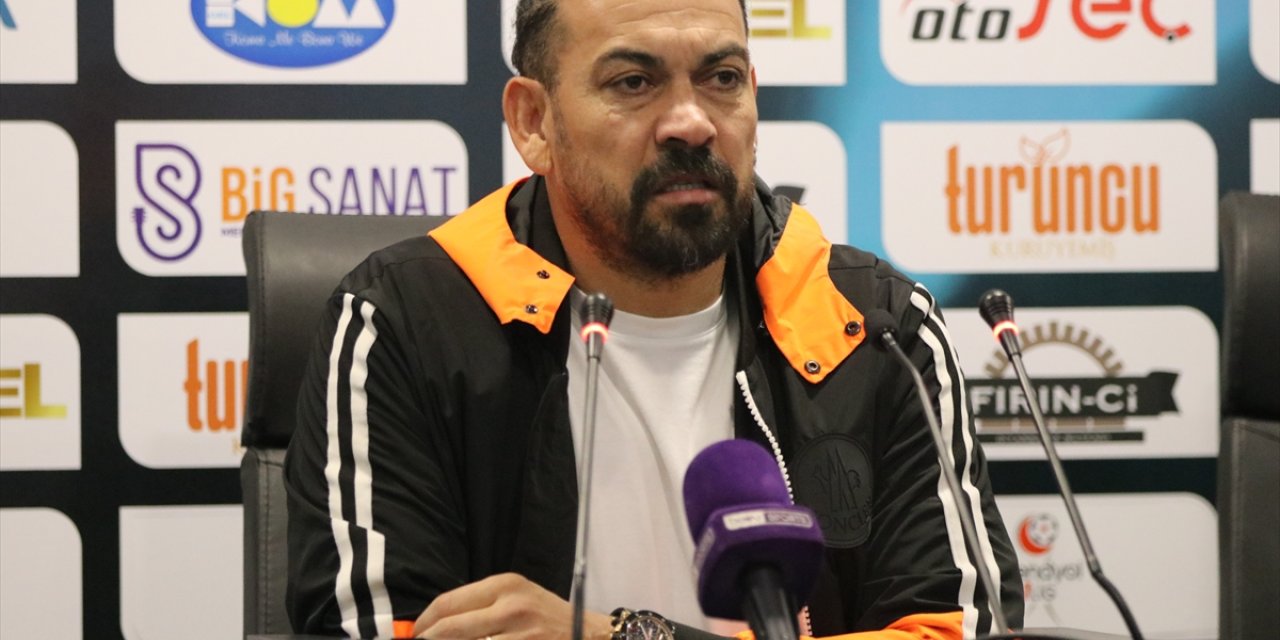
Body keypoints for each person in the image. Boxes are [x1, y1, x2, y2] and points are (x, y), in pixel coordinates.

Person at [284, 0, 1025, 637]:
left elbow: (959, 626)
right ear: (534, 121)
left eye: (721, 78)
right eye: (633, 82)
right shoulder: (408, 324)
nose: (691, 123)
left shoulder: (877, 329)